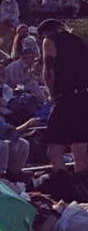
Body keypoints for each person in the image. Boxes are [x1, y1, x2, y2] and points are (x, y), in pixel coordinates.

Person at [38, 18, 88, 174]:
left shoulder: (50, 41)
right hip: (84, 95)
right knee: (79, 147)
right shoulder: (80, 42)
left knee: (54, 150)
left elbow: (48, 70)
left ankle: (63, 184)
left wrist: (52, 95)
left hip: (65, 97)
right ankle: (82, 184)